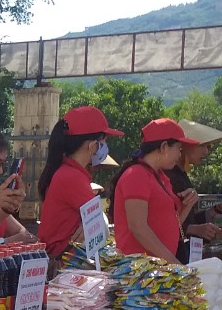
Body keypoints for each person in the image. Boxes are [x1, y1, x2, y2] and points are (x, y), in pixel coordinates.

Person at [36, 105, 123, 267]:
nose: (105, 147)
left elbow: (95, 223)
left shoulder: (68, 172)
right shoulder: (71, 177)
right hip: (65, 265)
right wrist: (92, 224)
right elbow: (100, 228)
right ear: (92, 146)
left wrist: (90, 224)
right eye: (103, 141)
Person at [111, 118, 200, 264]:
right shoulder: (136, 175)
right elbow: (138, 227)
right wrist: (173, 263)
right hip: (140, 270)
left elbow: (173, 225)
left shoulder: (159, 176)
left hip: (156, 269)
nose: (180, 155)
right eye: (178, 149)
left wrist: (188, 204)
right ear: (164, 147)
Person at [167, 119, 222, 262]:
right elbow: (164, 224)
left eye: (208, 147)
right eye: (202, 145)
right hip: (170, 257)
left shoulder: (181, 175)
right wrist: (195, 229)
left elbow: (188, 219)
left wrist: (215, 210)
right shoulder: (168, 177)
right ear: (183, 146)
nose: (206, 151)